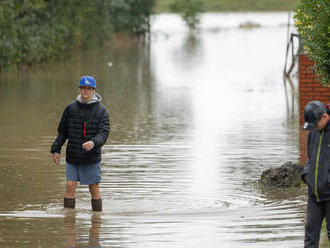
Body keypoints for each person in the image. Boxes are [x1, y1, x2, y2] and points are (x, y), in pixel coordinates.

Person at [51, 76, 110, 212]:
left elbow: (104, 133)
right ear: (79, 89)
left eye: (89, 89)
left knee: (93, 189)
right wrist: (56, 150)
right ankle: (69, 220)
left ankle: (96, 221)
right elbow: (62, 132)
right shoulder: (70, 108)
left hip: (91, 157)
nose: (86, 91)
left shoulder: (102, 111)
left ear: (93, 90)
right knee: (70, 186)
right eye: (83, 88)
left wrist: (94, 142)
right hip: (73, 156)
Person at [302, 100, 330, 247]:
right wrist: (307, 175)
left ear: (324, 117)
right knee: (310, 235)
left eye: (315, 124)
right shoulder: (313, 133)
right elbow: (310, 159)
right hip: (314, 193)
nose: (313, 128)